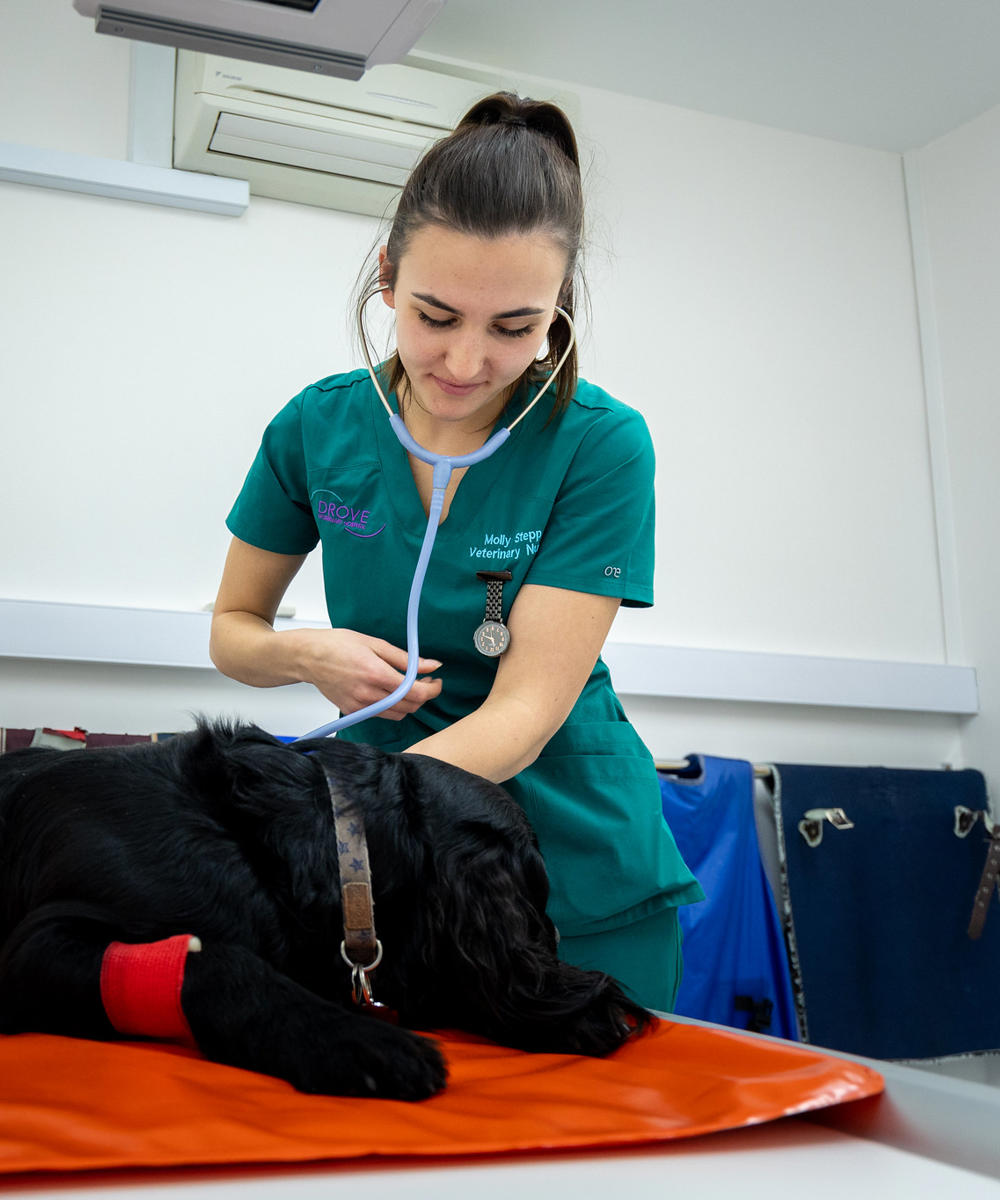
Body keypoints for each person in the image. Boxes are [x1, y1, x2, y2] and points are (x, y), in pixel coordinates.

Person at [210, 91, 702, 1013]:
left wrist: (341, 813)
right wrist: (303, 654)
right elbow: (233, 630)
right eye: (436, 315)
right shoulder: (316, 428)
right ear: (387, 277)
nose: (467, 364)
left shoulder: (600, 445)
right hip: (385, 865)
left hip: (565, 848)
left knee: (604, 1133)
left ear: (557, 313)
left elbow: (522, 714)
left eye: (515, 328)